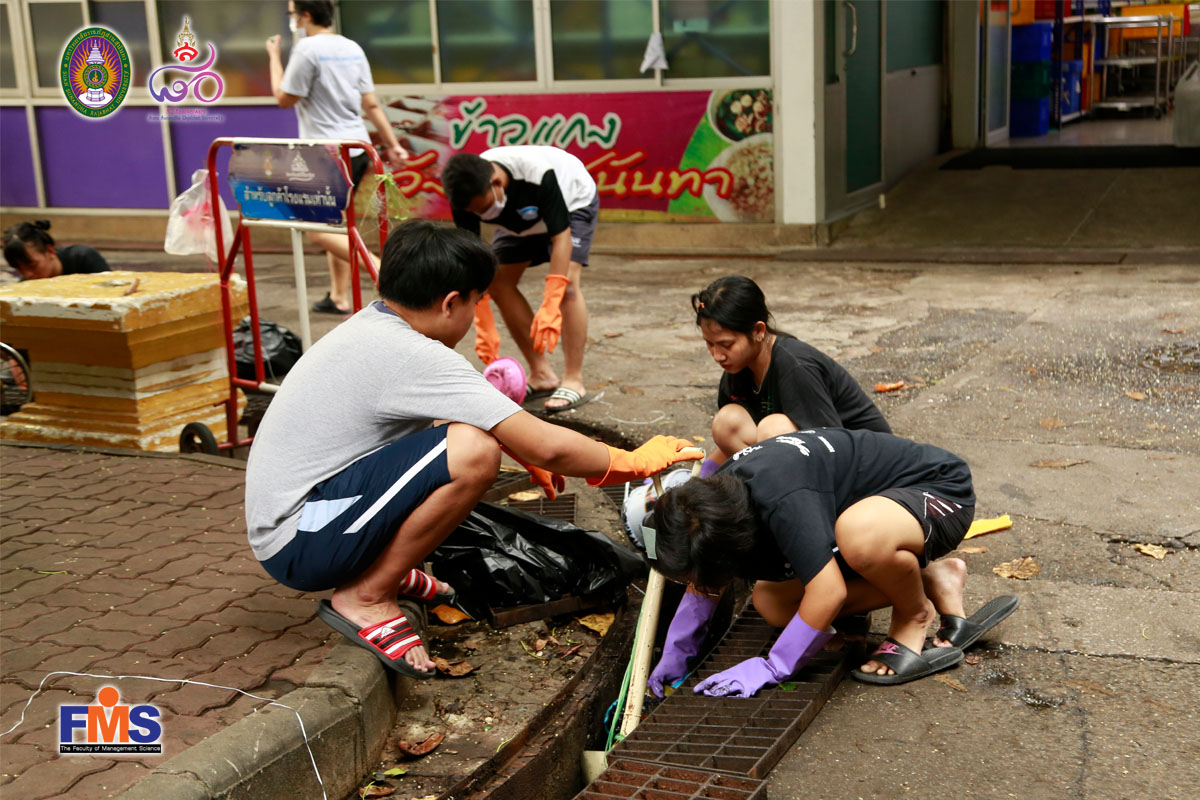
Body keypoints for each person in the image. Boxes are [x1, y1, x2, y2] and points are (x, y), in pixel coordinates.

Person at [244, 219, 700, 679]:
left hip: (304, 520)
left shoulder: (373, 326)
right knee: (474, 453)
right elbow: (548, 446)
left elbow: (457, 422)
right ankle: (367, 595)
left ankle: (379, 567)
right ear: (450, 303)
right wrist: (630, 461)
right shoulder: (413, 355)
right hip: (299, 542)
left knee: (470, 438)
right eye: (478, 302)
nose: (477, 313)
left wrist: (519, 446)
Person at [645, 428, 1018, 696]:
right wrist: (678, 652)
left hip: (938, 493)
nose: (699, 582)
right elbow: (707, 580)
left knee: (858, 536)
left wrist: (775, 666)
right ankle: (930, 578)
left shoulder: (781, 500)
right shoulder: (713, 504)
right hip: (880, 516)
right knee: (772, 603)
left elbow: (829, 592)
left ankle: (914, 614)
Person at [265, 0, 409, 314]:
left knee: (317, 230)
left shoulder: (306, 49)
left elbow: (283, 98)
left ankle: (389, 275)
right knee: (336, 223)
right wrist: (392, 144)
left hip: (325, 153)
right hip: (356, 149)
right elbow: (371, 104)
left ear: (305, 16)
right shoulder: (352, 47)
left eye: (292, 14)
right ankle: (339, 296)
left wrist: (274, 57)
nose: (292, 20)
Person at [442, 146, 598, 413]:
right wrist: (482, 316)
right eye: (477, 213)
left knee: (568, 286)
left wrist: (551, 301)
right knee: (498, 282)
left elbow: (561, 236)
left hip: (572, 204)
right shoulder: (465, 195)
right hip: (518, 217)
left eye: (484, 208)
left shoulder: (537, 174)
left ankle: (574, 380)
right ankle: (542, 374)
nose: (482, 215)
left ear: (496, 183)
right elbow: (473, 256)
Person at [691, 276, 890, 478]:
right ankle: (765, 485)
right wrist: (701, 477)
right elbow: (730, 446)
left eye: (726, 345)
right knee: (726, 424)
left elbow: (831, 444)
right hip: (819, 458)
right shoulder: (737, 369)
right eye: (709, 343)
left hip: (868, 464)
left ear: (758, 331)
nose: (717, 355)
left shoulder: (796, 367)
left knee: (773, 431)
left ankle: (778, 489)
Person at [3, 220, 109, 281]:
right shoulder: (24, 286)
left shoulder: (84, 258)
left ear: (50, 251)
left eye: (32, 265)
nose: (28, 274)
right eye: (19, 269)